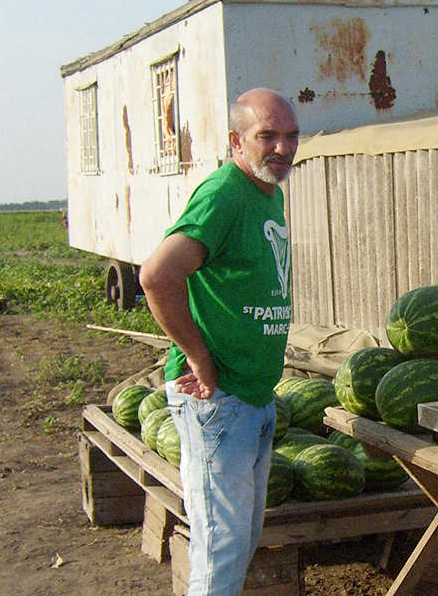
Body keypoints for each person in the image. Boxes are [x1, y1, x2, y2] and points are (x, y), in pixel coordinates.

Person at [140, 88, 299, 596]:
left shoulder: (266, 191)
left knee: (238, 544)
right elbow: (157, 275)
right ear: (236, 140)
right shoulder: (225, 193)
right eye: (266, 135)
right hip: (219, 401)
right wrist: (198, 356)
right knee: (220, 553)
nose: (282, 147)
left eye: (290, 136)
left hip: (250, 398)